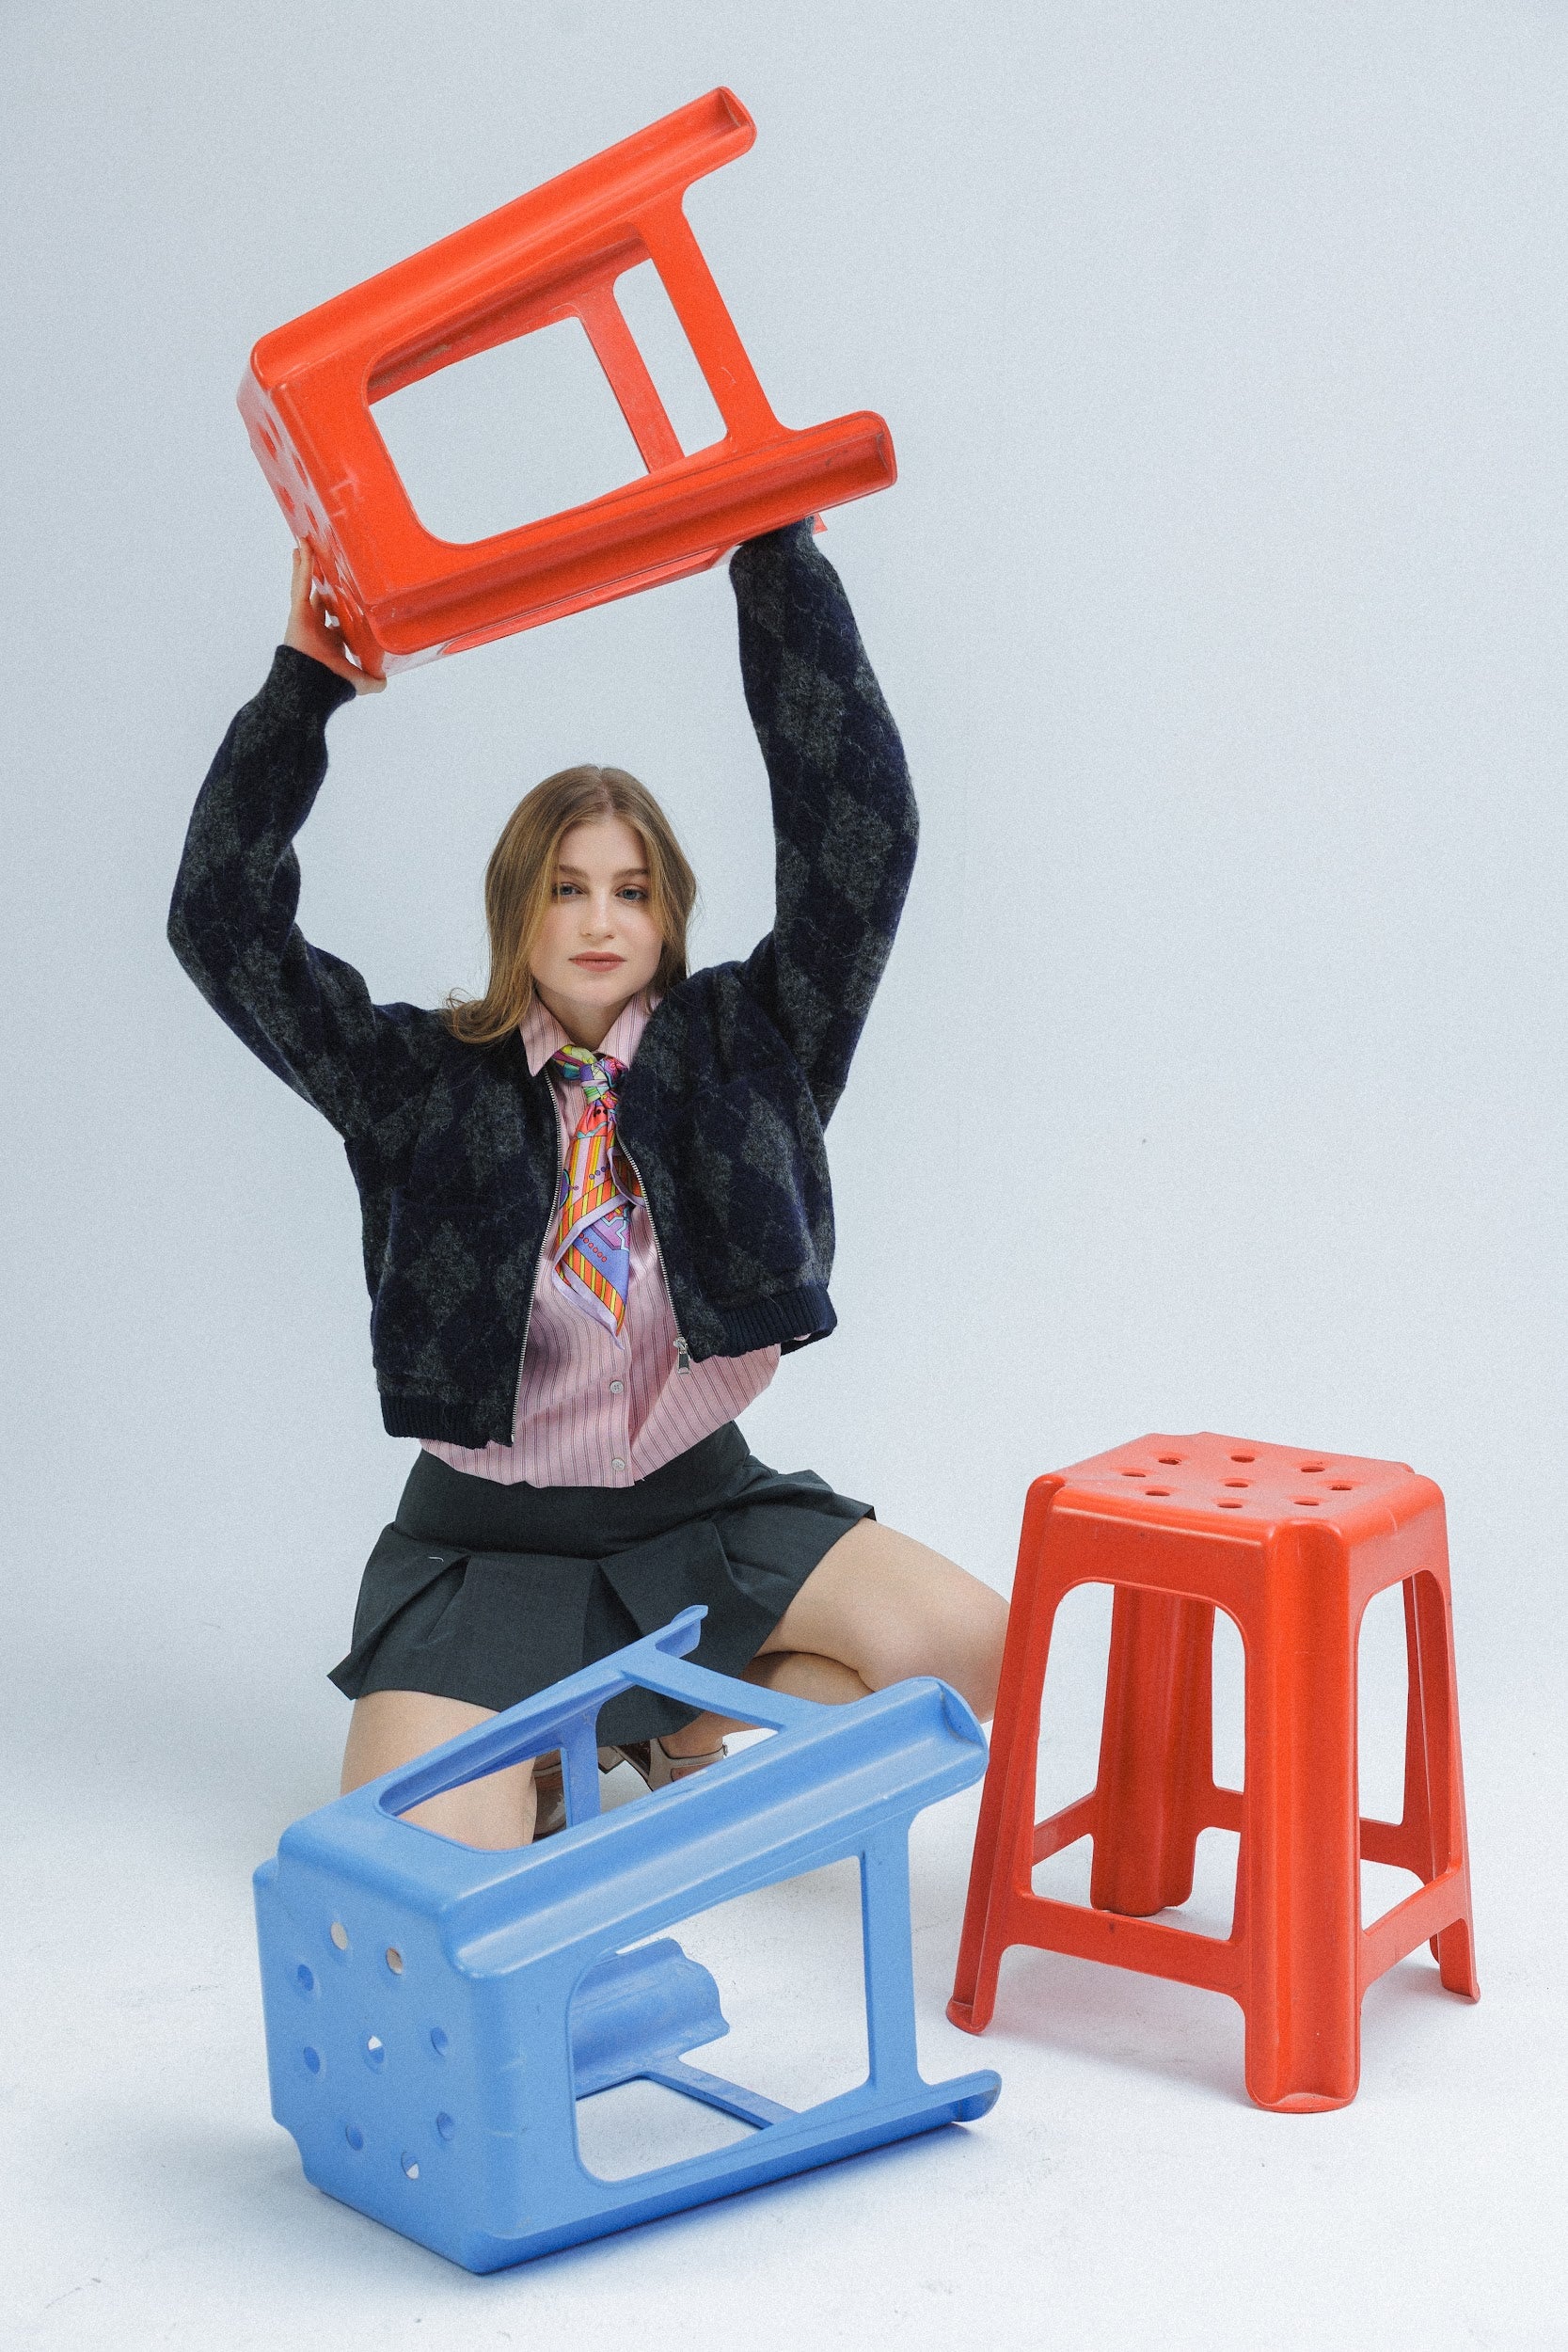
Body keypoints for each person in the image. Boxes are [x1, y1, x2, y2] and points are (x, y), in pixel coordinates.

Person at [169, 519, 1006, 1850]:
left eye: (630, 890)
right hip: (487, 1552)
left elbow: (865, 840)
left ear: (668, 911)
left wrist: (773, 559)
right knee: (431, 1866)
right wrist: (303, 682)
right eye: (567, 890)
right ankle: (558, 1738)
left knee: (970, 1656)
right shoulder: (414, 1083)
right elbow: (221, 922)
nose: (602, 922)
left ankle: (669, 1725)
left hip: (704, 1516)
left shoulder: (752, 1046)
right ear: (520, 911)